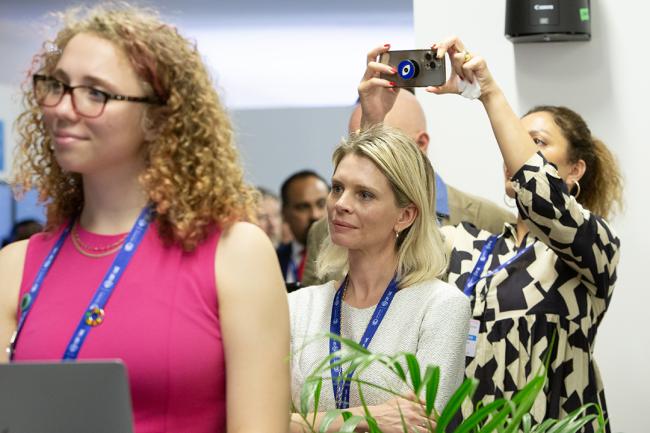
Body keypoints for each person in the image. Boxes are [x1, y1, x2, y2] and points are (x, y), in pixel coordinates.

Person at [0, 5, 290, 433]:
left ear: (157, 118)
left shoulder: (234, 254)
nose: (63, 108)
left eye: (96, 93)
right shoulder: (16, 266)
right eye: (57, 86)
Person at [360, 39, 622, 432]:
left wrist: (488, 92)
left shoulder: (592, 250)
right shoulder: (464, 243)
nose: (514, 154)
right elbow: (376, 222)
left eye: (536, 144)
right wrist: (373, 118)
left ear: (575, 171)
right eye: (513, 140)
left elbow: (542, 195)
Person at [289, 124, 471, 433]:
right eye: (337, 188)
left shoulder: (440, 306)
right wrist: (367, 418)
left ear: (405, 216)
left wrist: (303, 424)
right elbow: (260, 422)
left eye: (364, 194)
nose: (341, 204)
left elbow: (417, 427)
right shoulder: (297, 306)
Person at [301, 90, 515, 286]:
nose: (364, 157)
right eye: (357, 141)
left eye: (384, 144)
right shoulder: (325, 230)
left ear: (420, 144)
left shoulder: (489, 222)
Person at [277, 170, 329, 289]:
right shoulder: (270, 262)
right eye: (303, 207)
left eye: (321, 204)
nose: (315, 215)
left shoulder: (351, 259)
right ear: (284, 214)